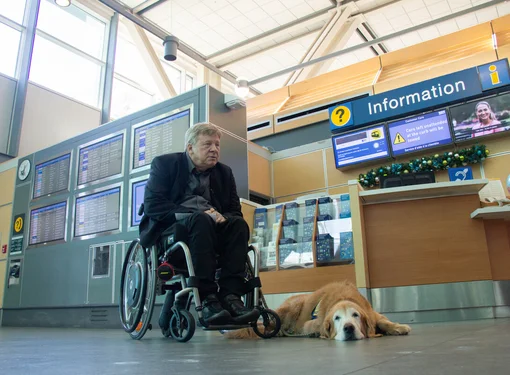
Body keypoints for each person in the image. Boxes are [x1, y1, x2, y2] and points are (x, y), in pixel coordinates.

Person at [139, 122, 259, 326]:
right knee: (200, 219)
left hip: (211, 232)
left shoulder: (224, 172)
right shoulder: (165, 164)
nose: (214, 149)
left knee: (238, 224)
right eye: (207, 144)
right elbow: (153, 205)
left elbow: (233, 210)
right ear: (190, 147)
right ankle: (207, 298)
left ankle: (231, 297)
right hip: (173, 233)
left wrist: (223, 217)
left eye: (217, 145)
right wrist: (195, 214)